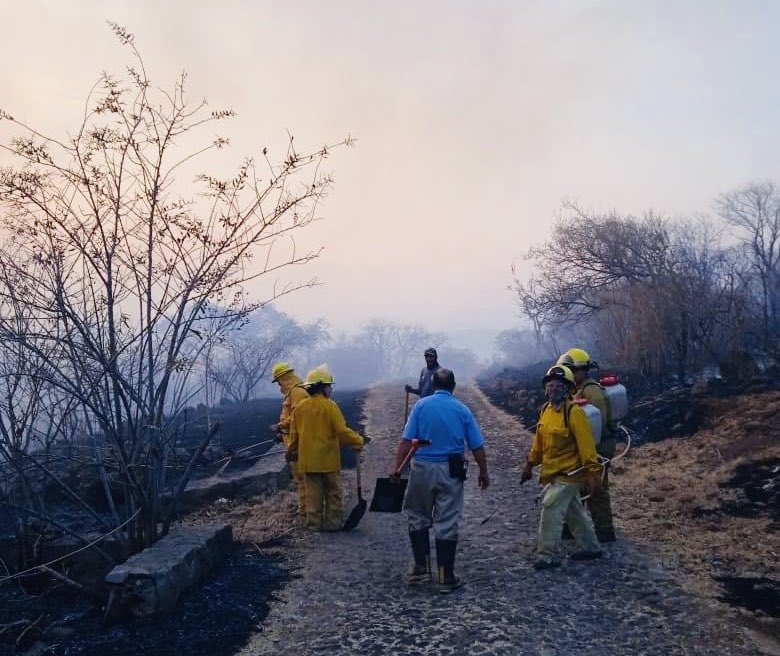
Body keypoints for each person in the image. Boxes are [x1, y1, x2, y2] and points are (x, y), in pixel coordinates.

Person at [391, 368, 489, 592]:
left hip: (422, 469)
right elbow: (477, 446)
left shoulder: (421, 406)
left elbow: (406, 442)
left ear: (433, 385)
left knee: (417, 515)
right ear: (453, 387)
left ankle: (421, 569)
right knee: (447, 520)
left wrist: (396, 468)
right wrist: (484, 472)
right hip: (451, 470)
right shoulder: (462, 410)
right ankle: (446, 576)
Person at [520, 365, 603, 570]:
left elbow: (587, 446)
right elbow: (539, 444)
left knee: (550, 507)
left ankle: (548, 555)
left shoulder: (574, 413)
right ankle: (592, 547)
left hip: (570, 474)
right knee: (573, 511)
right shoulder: (545, 411)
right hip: (553, 473)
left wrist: (593, 474)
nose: (554, 388)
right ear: (545, 388)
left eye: (559, 385)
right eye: (550, 384)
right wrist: (529, 465)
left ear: (567, 389)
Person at [287, 365, 364, 532]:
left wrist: (292, 452)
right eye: (329, 386)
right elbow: (342, 431)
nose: (331, 389)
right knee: (333, 494)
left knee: (312, 496)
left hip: (308, 462)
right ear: (322, 387)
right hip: (328, 461)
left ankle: (313, 525)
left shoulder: (299, 408)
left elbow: (294, 436)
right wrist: (358, 441)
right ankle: (333, 524)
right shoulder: (330, 406)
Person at [558, 348, 617, 542]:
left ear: (582, 371)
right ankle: (571, 528)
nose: (569, 375)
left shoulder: (592, 392)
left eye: (571, 371)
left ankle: (605, 531)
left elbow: (596, 425)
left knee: (596, 489)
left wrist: (589, 454)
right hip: (585, 448)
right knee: (575, 488)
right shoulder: (578, 390)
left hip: (596, 449)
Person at [270, 362, 309, 516]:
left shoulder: (297, 393)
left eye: (278, 381)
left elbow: (297, 417)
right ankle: (305, 507)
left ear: (283, 378)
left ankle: (307, 510)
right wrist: (283, 434)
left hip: (298, 444)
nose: (278, 385)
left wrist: (280, 426)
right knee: (300, 478)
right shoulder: (293, 393)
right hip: (292, 440)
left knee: (302, 478)